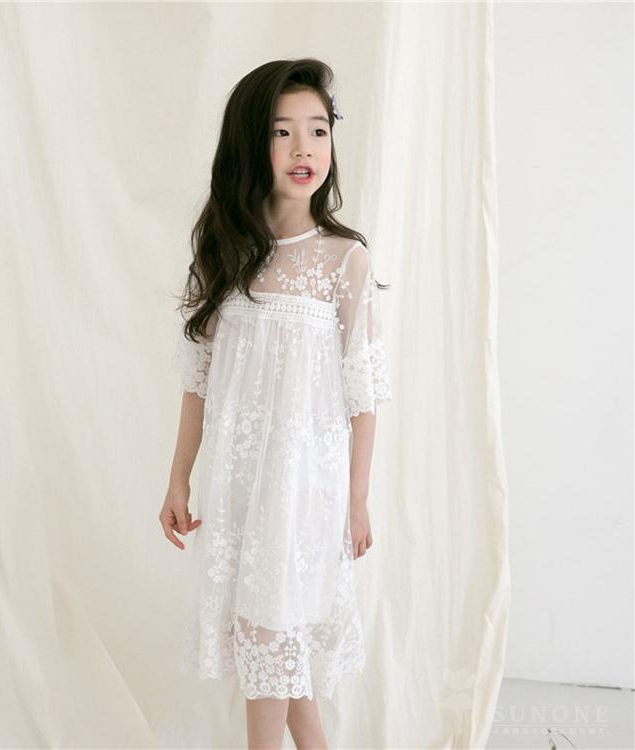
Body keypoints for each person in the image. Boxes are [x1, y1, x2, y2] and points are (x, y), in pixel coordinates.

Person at [159, 58, 392, 750]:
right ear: (251, 143)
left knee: (269, 640)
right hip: (238, 485)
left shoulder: (343, 259)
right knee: (273, 645)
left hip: (306, 489)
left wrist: (356, 501)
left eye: (317, 130)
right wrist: (178, 478)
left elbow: (364, 394)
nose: (303, 148)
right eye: (282, 131)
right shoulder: (226, 250)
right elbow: (198, 379)